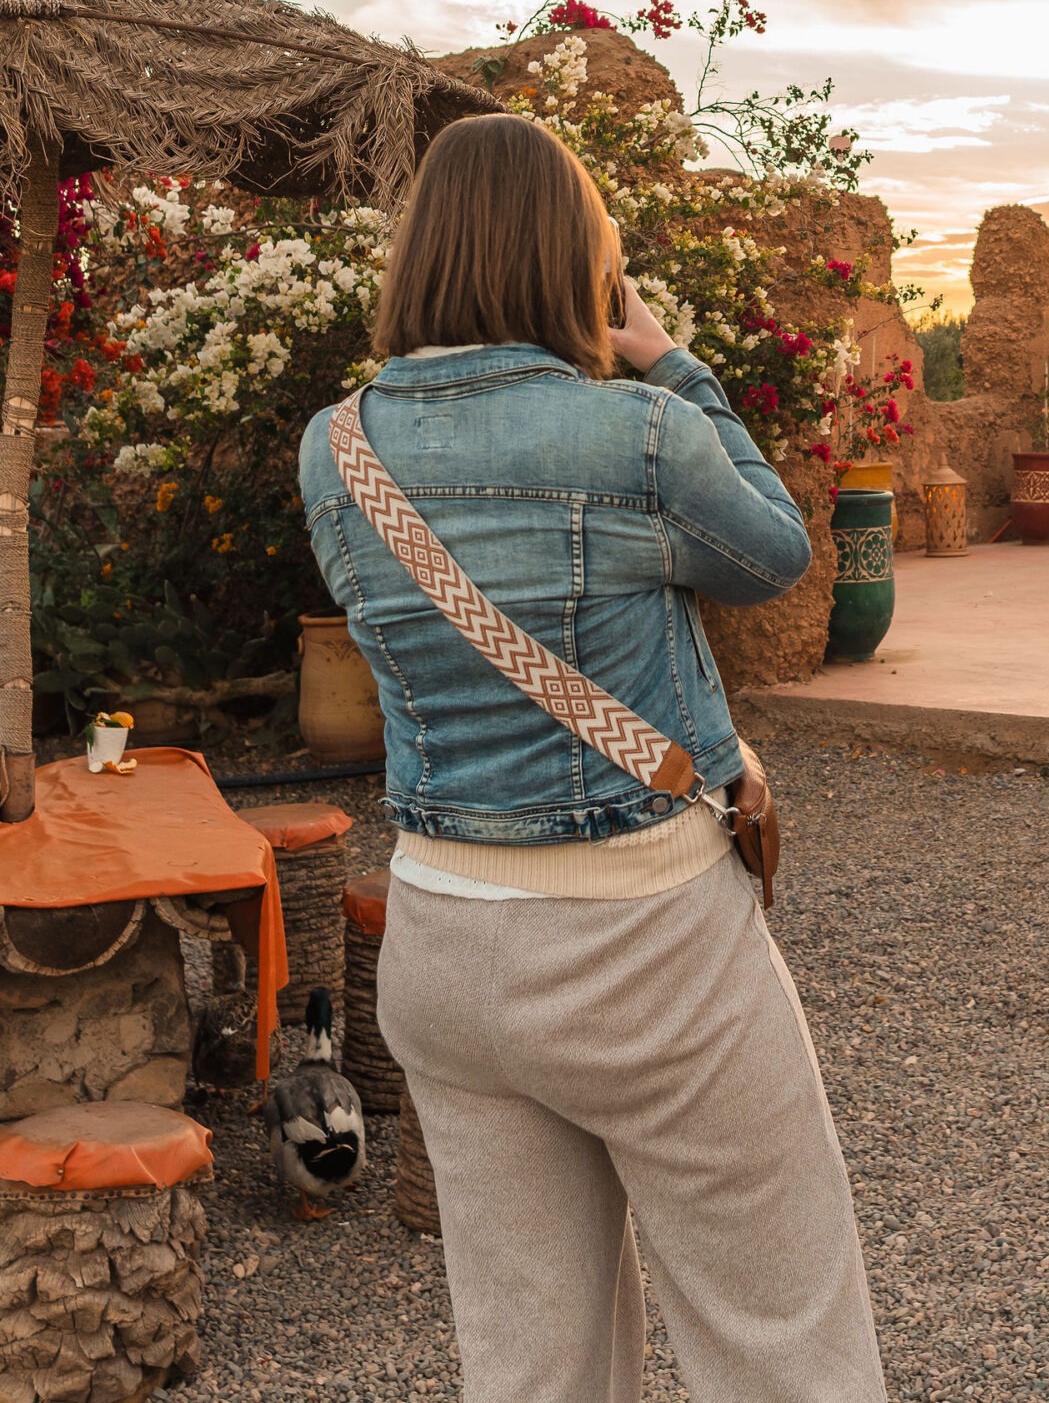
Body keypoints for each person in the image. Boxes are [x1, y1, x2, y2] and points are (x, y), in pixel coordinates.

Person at [299, 112, 887, 1403]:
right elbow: (777, 552)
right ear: (580, 262)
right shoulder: (637, 431)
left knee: (530, 1367)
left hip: (442, 940)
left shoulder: (334, 449)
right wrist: (669, 360)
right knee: (781, 1340)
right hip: (645, 942)